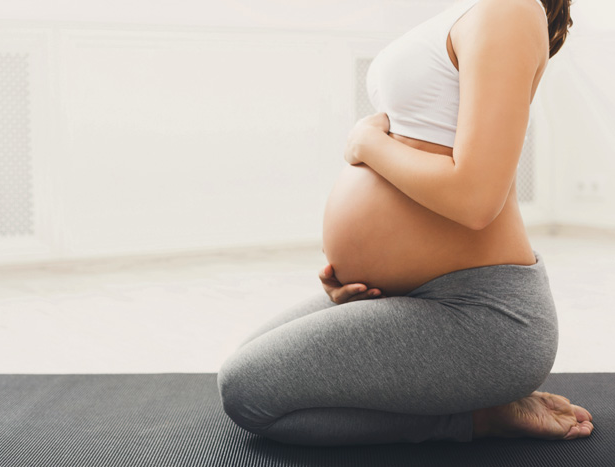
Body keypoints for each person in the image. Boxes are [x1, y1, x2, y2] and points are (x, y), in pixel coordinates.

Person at [217, 0, 594, 445]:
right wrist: (366, 268)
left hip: (481, 314)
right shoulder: (476, 10)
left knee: (247, 392)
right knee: (246, 366)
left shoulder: (509, 8)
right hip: (413, 295)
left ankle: (480, 417)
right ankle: (469, 401)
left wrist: (366, 143)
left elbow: (476, 197)